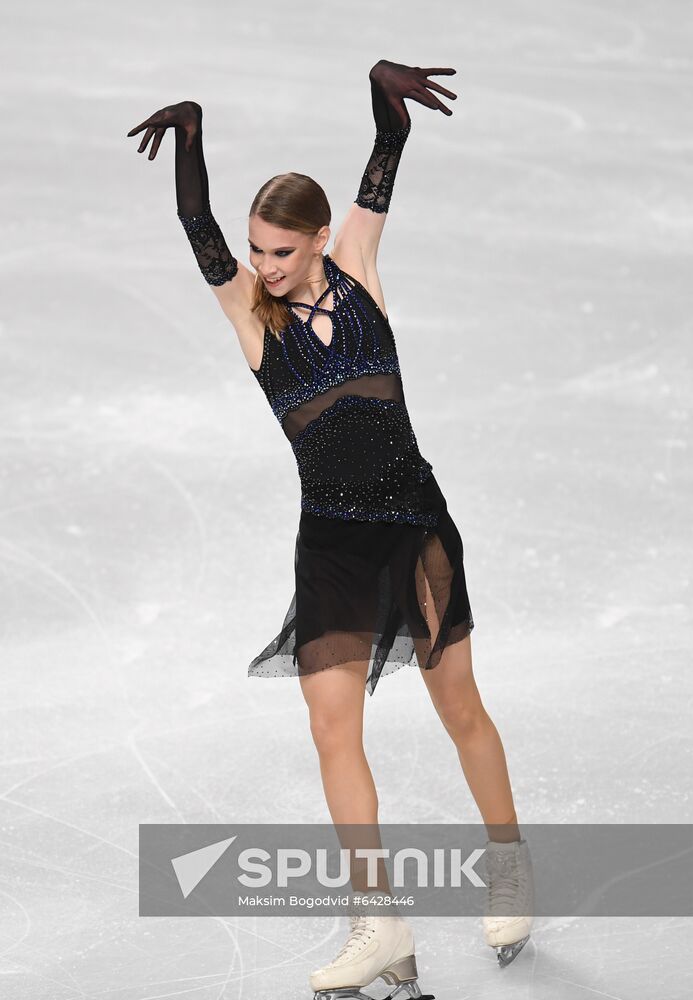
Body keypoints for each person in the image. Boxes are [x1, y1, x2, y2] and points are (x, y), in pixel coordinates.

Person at [127, 58, 534, 1000]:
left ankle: (510, 868)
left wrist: (381, 90)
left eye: (280, 249)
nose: (264, 265)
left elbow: (385, 155)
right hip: (333, 548)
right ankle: (378, 925)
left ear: (317, 239)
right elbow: (196, 228)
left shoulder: (355, 269)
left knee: (459, 708)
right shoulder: (250, 313)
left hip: (415, 529)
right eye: (256, 250)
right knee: (329, 729)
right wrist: (190, 133)